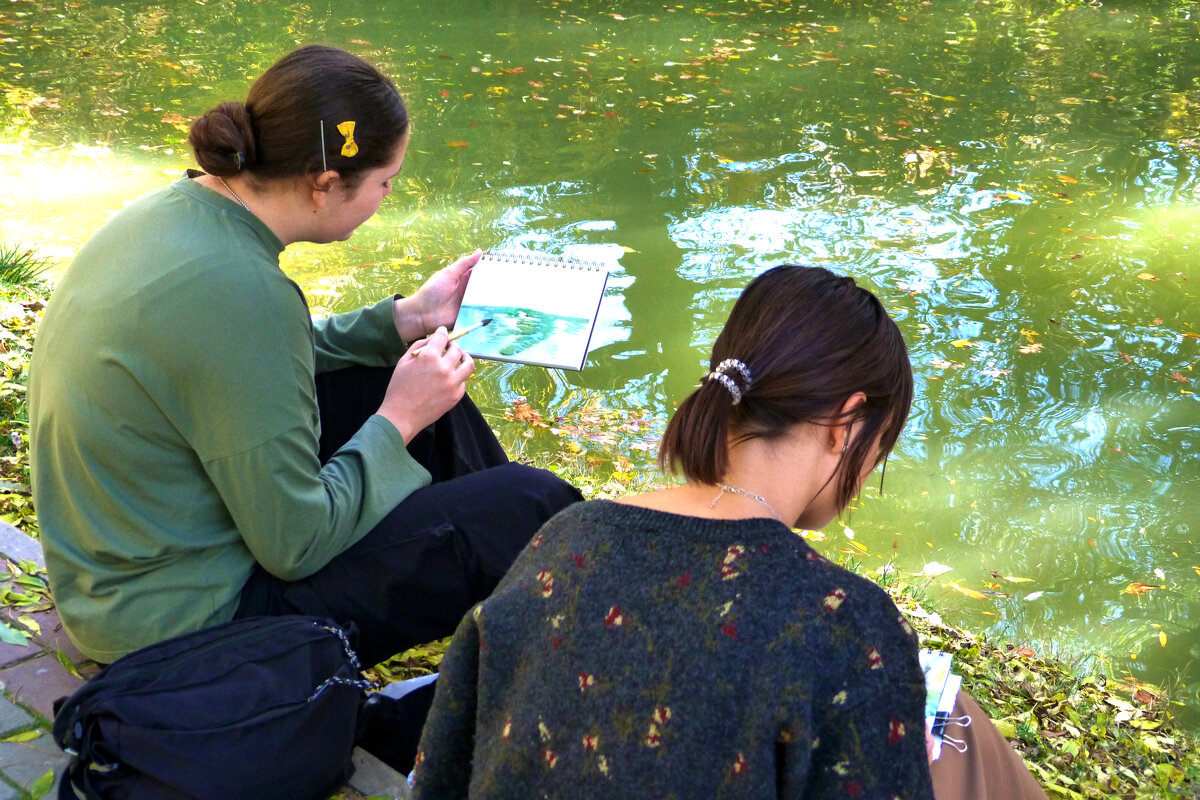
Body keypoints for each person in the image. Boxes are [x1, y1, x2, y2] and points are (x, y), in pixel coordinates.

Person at [28, 44, 581, 670]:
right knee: (530, 504)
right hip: (181, 625)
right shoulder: (245, 290)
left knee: (394, 378)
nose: (387, 195)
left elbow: (256, 357)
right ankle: (564, 641)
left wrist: (406, 320)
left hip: (121, 572)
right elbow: (295, 542)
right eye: (384, 181)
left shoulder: (176, 215)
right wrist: (399, 418)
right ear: (324, 186)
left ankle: (512, 622)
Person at [410, 264, 935, 798]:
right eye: (881, 448)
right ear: (847, 423)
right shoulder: (851, 627)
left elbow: (443, 773)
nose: (868, 475)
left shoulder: (564, 540)